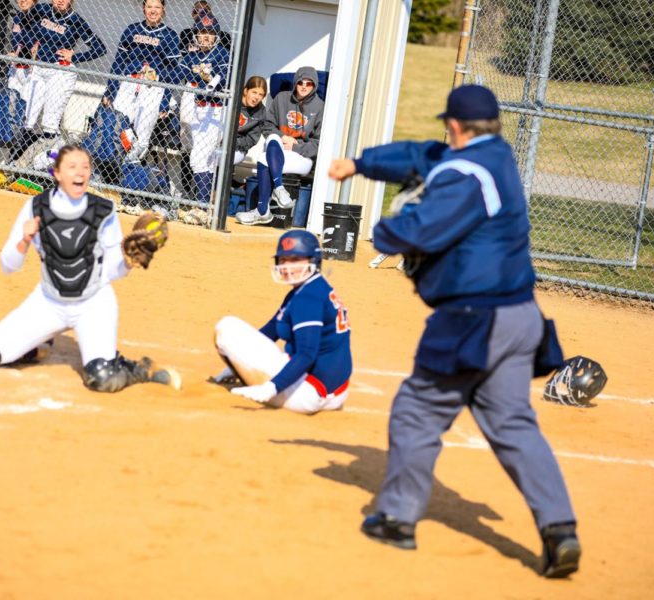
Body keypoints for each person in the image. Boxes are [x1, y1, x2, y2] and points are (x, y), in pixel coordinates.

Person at [327, 84, 580, 578]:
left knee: (417, 411)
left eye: (450, 125)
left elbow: (422, 228)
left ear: (457, 126)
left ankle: (397, 520)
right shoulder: (494, 157)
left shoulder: (464, 175)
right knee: (512, 424)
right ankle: (560, 529)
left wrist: (382, 232)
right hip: (519, 316)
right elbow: (421, 155)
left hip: (473, 319)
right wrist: (360, 164)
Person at [0, 144, 178, 393]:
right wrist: (24, 241)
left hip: (93, 302)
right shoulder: (36, 207)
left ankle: (140, 369)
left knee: (102, 377)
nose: (80, 173)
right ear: (57, 173)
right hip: (49, 301)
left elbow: (112, 272)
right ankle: (38, 345)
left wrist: (127, 261)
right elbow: (8, 266)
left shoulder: (104, 211)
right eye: (72, 166)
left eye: (85, 167)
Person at [212, 230, 352, 414]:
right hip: (335, 389)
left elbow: (307, 354)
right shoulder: (313, 287)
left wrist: (271, 388)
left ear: (313, 261)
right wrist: (236, 361)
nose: (286, 266)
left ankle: (274, 389)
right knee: (238, 336)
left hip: (309, 394)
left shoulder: (306, 298)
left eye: (295, 259)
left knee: (226, 327)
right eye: (283, 260)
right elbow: (271, 331)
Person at [10, 0, 107, 160]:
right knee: (28, 119)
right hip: (38, 68)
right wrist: (26, 46)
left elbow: (99, 48)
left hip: (60, 71)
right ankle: (16, 162)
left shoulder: (75, 20)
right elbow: (23, 24)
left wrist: (74, 56)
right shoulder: (41, 9)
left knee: (50, 123)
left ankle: (42, 166)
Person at [236, 66, 324, 226]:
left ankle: (262, 210)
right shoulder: (282, 98)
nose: (304, 86)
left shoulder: (320, 107)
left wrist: (295, 146)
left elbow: (318, 144)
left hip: (301, 157)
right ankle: (279, 189)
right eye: (301, 82)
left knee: (264, 159)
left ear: (314, 86)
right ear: (295, 83)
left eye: (309, 83)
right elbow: (267, 125)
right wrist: (284, 137)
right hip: (278, 148)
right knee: (272, 140)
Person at [102, 0, 180, 164]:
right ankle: (112, 167)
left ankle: (127, 169)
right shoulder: (132, 30)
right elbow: (119, 62)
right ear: (143, 8)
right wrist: (111, 90)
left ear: (163, 10)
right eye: (149, 6)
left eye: (157, 7)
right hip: (129, 82)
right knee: (116, 126)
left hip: (153, 87)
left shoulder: (170, 35)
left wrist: (165, 101)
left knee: (142, 137)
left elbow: (173, 73)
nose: (153, 11)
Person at [177, 8, 229, 206]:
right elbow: (176, 74)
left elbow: (223, 78)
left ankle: (201, 205)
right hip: (198, 109)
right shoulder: (192, 56)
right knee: (204, 161)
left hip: (216, 111)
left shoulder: (222, 54)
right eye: (202, 33)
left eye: (209, 33)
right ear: (196, 35)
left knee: (198, 159)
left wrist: (210, 79)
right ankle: (204, 205)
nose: (205, 37)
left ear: (215, 36)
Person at [233, 75, 267, 165]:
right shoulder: (232, 100)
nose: (256, 97)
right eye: (254, 92)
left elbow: (251, 140)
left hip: (237, 148)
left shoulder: (261, 112)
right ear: (246, 91)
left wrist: (232, 142)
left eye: (261, 94)